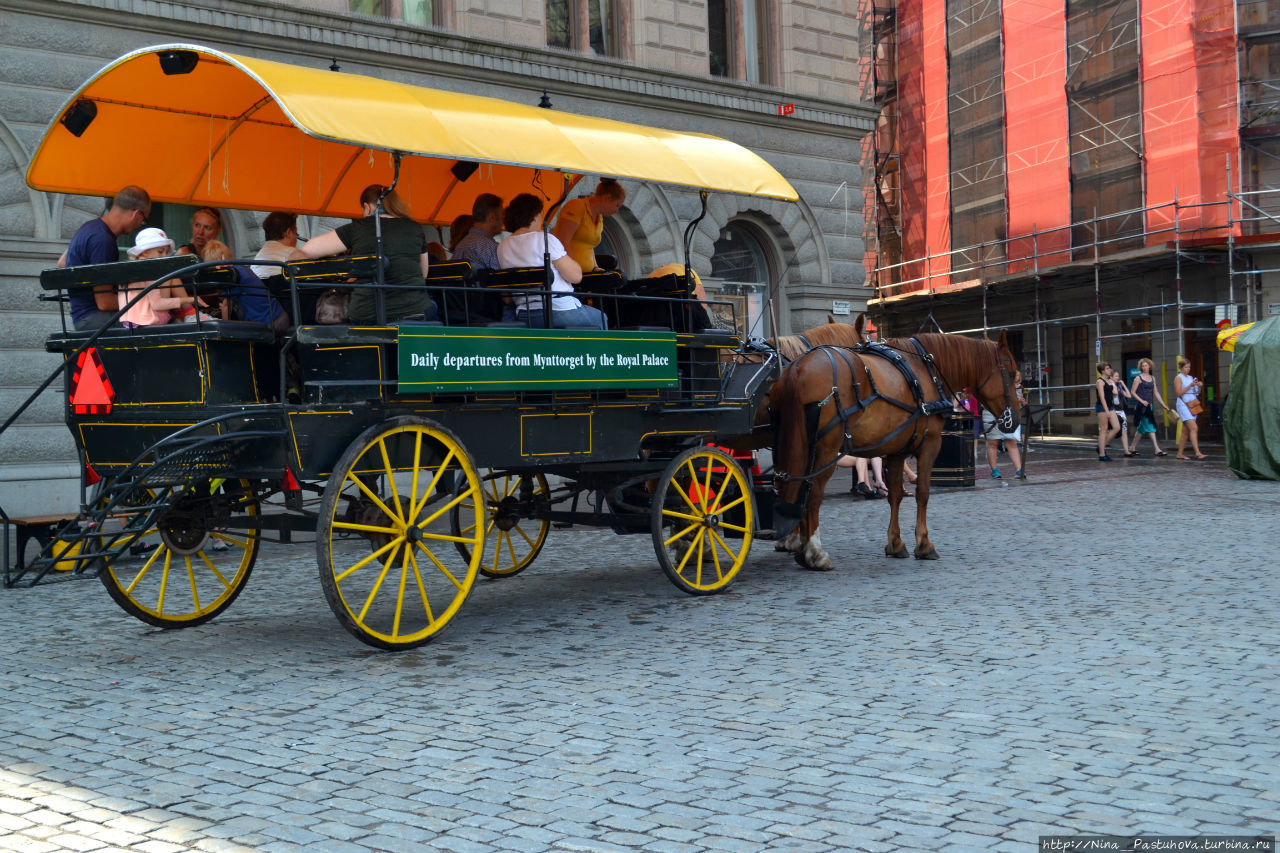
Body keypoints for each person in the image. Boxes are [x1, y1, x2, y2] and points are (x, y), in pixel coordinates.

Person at [299, 184, 435, 324]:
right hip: (416, 312)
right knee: (432, 305)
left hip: (368, 314)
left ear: (367, 207)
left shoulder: (358, 228)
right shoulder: (414, 228)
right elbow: (423, 273)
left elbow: (308, 250)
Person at [496, 193, 607, 329]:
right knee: (601, 318)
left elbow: (507, 297)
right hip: (558, 310)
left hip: (525, 314)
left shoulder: (503, 246)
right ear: (535, 216)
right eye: (540, 215)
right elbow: (576, 276)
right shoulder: (544, 239)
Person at [57, 185, 151, 329]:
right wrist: (146, 300)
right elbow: (105, 303)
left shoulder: (89, 227)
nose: (140, 225)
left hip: (81, 315)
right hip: (92, 318)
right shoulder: (103, 241)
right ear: (136, 213)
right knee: (154, 322)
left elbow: (62, 263)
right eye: (143, 220)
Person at [117, 228, 202, 327]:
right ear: (145, 252)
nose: (165, 256)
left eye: (166, 252)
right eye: (161, 252)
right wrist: (189, 300)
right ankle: (190, 314)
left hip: (131, 323)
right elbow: (157, 304)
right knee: (171, 274)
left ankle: (188, 314)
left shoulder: (131, 268)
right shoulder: (150, 268)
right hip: (150, 320)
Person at [202, 240, 290, 333]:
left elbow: (226, 306)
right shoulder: (240, 268)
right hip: (278, 316)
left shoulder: (234, 276)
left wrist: (225, 331)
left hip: (270, 323)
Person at [552, 178, 626, 273]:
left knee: (615, 271)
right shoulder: (577, 206)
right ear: (607, 198)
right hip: (569, 273)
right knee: (618, 278)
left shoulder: (599, 217)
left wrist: (595, 267)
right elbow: (562, 241)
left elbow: (589, 246)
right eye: (617, 205)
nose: (617, 211)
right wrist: (572, 270)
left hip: (587, 272)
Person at [983, 371, 1026, 480]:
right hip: (991, 410)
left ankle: (1019, 469)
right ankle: (994, 470)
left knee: (1011, 441)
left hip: (1007, 411)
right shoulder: (987, 377)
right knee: (993, 442)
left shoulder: (1007, 377)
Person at [1129, 357, 1172, 456]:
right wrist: (1142, 401)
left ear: (1149, 366)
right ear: (1141, 367)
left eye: (1146, 365)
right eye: (1143, 366)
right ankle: (1157, 449)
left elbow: (1156, 392)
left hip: (1149, 406)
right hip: (1141, 407)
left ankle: (1132, 447)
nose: (1144, 367)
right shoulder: (1138, 378)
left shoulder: (1153, 378)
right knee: (1151, 427)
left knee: (1141, 429)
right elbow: (1133, 392)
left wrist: (1164, 405)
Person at [251, 212, 306, 279]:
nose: (296, 239)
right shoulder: (292, 252)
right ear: (288, 232)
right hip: (282, 288)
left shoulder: (259, 256)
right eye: (296, 233)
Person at [1173, 358, 1206, 460]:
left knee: (1185, 431)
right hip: (1183, 404)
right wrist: (1190, 386)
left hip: (1192, 403)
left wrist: (1199, 386)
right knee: (1194, 428)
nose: (1188, 369)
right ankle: (1197, 452)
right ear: (1181, 368)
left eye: (1189, 367)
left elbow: (1196, 392)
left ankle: (1179, 453)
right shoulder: (1178, 378)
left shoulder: (1191, 377)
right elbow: (1178, 393)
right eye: (1186, 367)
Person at [1095, 363, 1122, 461]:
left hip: (1110, 406)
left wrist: (1113, 383)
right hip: (1102, 407)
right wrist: (1107, 411)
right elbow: (1101, 397)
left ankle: (1101, 446)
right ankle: (1102, 455)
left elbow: (1115, 392)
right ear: (1102, 370)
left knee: (1117, 427)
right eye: (1107, 368)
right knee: (1104, 429)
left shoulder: (1109, 380)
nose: (1109, 370)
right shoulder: (1100, 381)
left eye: (1110, 368)